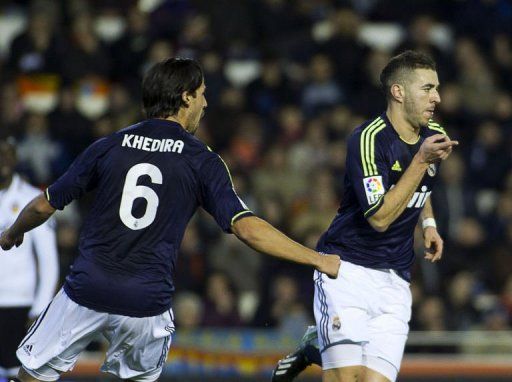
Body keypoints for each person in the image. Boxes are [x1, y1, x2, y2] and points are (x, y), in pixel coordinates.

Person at [0, 58, 340, 382]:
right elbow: (247, 228)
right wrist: (316, 258)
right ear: (186, 96)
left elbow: (44, 206)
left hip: (88, 288)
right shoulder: (201, 160)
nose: (205, 104)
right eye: (203, 94)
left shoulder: (109, 145)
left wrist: (13, 232)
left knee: (30, 375)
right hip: (146, 303)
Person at [271, 50, 458, 382]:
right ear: (398, 92)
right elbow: (380, 218)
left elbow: (423, 181)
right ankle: (321, 344)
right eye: (427, 88)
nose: (437, 97)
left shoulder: (432, 133)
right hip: (347, 270)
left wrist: (428, 222)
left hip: (396, 279)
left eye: (437, 88)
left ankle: (317, 345)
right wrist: (419, 162)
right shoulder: (368, 140)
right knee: (347, 379)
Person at [0, 138, 59, 381]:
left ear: (15, 158)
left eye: (7, 154)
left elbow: (48, 261)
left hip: (20, 304)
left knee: (18, 373)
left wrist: (40, 309)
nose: (2, 159)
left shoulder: (32, 200)